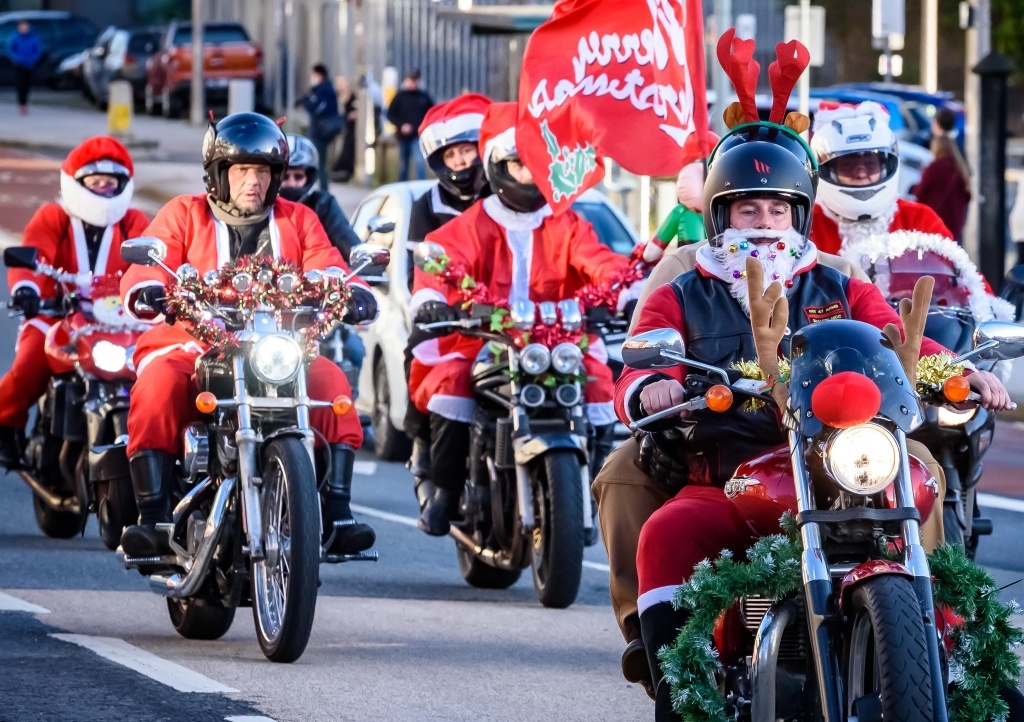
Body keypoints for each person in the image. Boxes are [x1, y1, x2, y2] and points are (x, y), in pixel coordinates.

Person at [618, 122, 1012, 718]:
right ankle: (682, 692)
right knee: (666, 533)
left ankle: (950, 663)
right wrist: (654, 384)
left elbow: (895, 339)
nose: (764, 223)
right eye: (748, 209)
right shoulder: (681, 288)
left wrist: (960, 373)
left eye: (778, 209)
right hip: (730, 474)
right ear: (720, 215)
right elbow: (642, 359)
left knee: (916, 489)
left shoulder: (838, 282)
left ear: (799, 215)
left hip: (843, 462)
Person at [118, 112, 378, 559]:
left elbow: (328, 263)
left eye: (263, 171)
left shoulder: (298, 218)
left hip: (278, 347)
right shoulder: (183, 212)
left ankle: (337, 510)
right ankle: (153, 516)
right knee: (158, 384)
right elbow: (148, 262)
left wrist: (353, 290)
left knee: (332, 382)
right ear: (219, 174)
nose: (253, 182)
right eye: (242, 171)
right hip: (192, 342)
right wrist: (148, 287)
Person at [408, 102, 634, 536]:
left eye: (535, 163)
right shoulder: (474, 222)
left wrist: (623, 290)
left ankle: (591, 493)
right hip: (483, 339)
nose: (528, 173)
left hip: (561, 340)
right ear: (496, 164)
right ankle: (447, 492)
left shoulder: (567, 222)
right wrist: (433, 298)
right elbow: (440, 258)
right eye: (517, 162)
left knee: (602, 385)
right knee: (451, 384)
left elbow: (600, 260)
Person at [0, 136, 150, 467]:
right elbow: (34, 256)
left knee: (158, 367)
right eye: (95, 183)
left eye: (111, 184)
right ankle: (5, 423)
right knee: (30, 362)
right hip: (56, 316)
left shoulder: (133, 221)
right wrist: (27, 289)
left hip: (121, 322)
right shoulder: (54, 217)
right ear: (76, 183)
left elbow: (150, 263)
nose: (103, 190)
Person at [404, 92, 492, 512]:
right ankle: (425, 451)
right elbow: (417, 267)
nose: (460, 161)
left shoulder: (505, 193)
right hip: (452, 314)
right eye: (451, 154)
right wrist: (435, 301)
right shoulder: (427, 205)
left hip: (508, 313)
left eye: (466, 150)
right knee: (419, 355)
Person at [808, 101, 952, 256]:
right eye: (848, 165)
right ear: (826, 170)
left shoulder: (918, 220)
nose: (861, 173)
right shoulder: (807, 226)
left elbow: (965, 275)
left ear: (886, 165)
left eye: (870, 164)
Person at [281, 133, 366, 374]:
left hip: (318, 301)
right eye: (285, 176)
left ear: (310, 177)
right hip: (268, 303)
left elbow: (346, 239)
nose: (291, 183)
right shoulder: (265, 210)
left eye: (298, 176)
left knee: (354, 351)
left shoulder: (323, 204)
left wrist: (361, 262)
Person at [913, 127, 972, 243]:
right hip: (954, 227)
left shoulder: (933, 168)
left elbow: (920, 194)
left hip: (935, 225)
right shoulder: (961, 169)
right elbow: (967, 196)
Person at [645, 161, 706, 262]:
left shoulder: (680, 212)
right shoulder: (680, 212)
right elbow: (651, 253)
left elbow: (651, 252)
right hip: (692, 262)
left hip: (693, 263)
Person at [299, 63, 342, 191]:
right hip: (320, 130)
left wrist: (305, 101)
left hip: (321, 132)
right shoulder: (320, 89)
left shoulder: (325, 90)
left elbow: (316, 108)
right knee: (318, 161)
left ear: (320, 75)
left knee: (319, 162)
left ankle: (322, 189)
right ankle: (320, 188)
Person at [386, 69, 434, 182]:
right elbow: (390, 114)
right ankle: (403, 185)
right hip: (403, 136)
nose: (413, 83)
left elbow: (431, 113)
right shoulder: (400, 96)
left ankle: (420, 185)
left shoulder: (424, 96)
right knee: (403, 164)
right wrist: (401, 125)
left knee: (419, 162)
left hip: (418, 135)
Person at [7, 21, 42, 115]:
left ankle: (25, 103)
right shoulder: (15, 37)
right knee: (20, 85)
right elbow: (11, 50)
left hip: (30, 65)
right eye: (22, 27)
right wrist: (16, 59)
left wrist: (33, 59)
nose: (24, 28)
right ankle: (21, 104)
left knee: (27, 85)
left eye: (25, 26)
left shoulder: (34, 37)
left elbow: (37, 50)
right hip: (19, 65)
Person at [331, 76, 358, 183]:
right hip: (338, 128)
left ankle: (344, 172)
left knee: (347, 150)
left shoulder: (352, 97)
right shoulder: (335, 97)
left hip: (348, 128)